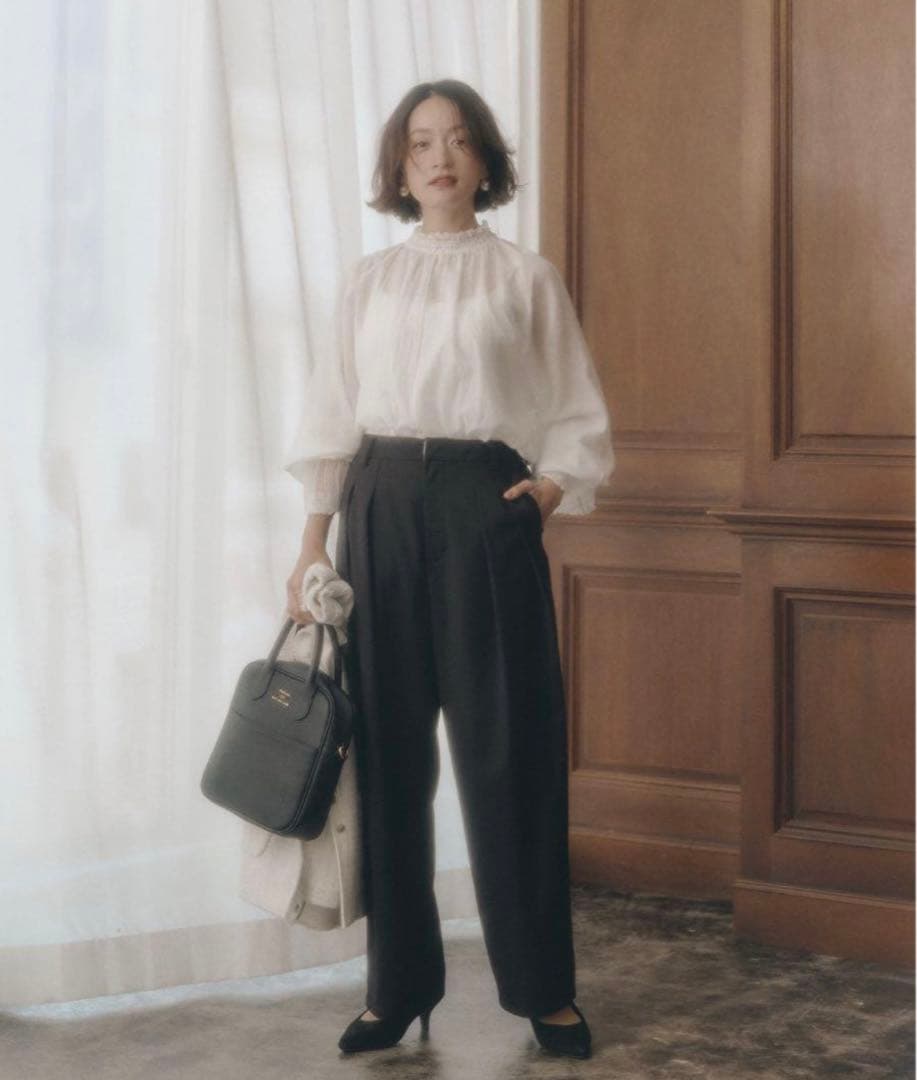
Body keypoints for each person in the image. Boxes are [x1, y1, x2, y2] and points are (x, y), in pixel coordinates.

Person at [283, 79, 614, 1060]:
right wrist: (310, 542)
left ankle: (543, 989)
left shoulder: (522, 278)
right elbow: (331, 410)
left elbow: (573, 405)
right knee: (386, 757)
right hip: (378, 504)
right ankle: (395, 990)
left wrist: (545, 492)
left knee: (508, 749)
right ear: (399, 163)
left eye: (458, 140)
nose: (439, 157)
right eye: (421, 142)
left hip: (484, 504)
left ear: (484, 161)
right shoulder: (370, 280)